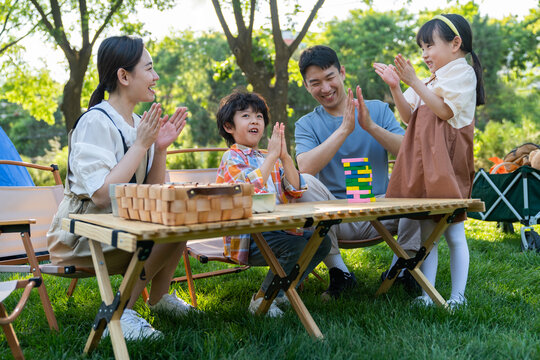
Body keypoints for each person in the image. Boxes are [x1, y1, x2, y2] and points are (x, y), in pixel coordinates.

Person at [47, 35, 196, 340]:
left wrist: (161, 148)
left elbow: (153, 193)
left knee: (183, 217)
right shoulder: (95, 122)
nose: (155, 77)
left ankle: (159, 299)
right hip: (82, 236)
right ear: (124, 76)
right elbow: (102, 196)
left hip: (122, 226)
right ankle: (121, 311)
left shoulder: (139, 122)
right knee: (171, 228)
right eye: (150, 69)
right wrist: (141, 145)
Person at [374, 14, 484, 308]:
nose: (424, 55)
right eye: (421, 48)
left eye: (428, 46)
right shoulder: (432, 79)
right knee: (428, 234)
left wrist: (414, 82)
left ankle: (457, 297)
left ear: (455, 44)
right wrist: (397, 87)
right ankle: (427, 294)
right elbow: (409, 117)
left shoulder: (462, 73)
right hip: (425, 165)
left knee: (453, 231)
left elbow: (445, 112)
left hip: (447, 164)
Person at [295, 45, 422, 300]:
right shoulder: (306, 124)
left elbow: (409, 151)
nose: (325, 88)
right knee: (304, 182)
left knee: (420, 185)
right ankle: (340, 274)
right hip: (333, 219)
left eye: (330, 77)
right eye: (315, 83)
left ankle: (401, 269)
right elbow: (305, 169)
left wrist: (370, 127)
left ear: (341, 72)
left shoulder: (377, 110)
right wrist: (343, 130)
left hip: (383, 210)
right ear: (307, 86)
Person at [215, 91, 331, 317]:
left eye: (259, 116)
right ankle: (262, 298)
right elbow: (248, 191)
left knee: (322, 242)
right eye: (246, 116)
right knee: (294, 247)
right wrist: (271, 158)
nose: (255, 120)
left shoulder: (267, 157)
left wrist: (285, 157)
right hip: (248, 237)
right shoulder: (232, 158)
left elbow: (295, 189)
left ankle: (283, 292)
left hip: (278, 230)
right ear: (229, 126)